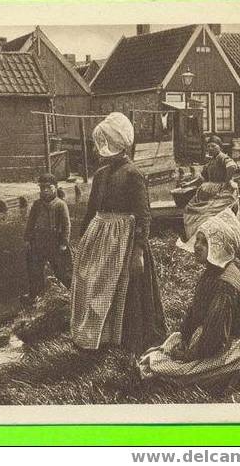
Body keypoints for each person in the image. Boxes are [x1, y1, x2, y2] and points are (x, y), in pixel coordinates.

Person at [137, 208, 240, 388]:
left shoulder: (224, 284)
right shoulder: (212, 272)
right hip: (207, 336)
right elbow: (195, 311)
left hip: (226, 347)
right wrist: (185, 337)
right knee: (169, 346)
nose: (197, 245)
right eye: (197, 239)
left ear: (218, 248)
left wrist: (188, 355)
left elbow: (216, 336)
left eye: (204, 242)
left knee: (171, 373)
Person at [70, 112, 166, 354]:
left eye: (109, 142)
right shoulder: (101, 174)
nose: (104, 148)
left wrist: (138, 252)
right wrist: (83, 241)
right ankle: (97, 337)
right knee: (94, 285)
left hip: (124, 240)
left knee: (127, 289)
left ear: (121, 145)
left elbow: (143, 215)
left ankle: (127, 340)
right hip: (100, 238)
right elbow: (92, 209)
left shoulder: (133, 174)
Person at [178, 135, 239, 251]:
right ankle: (198, 239)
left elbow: (232, 166)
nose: (210, 148)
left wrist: (227, 182)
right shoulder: (210, 161)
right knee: (190, 209)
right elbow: (201, 178)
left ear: (220, 147)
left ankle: (213, 241)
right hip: (209, 191)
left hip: (221, 192)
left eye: (213, 146)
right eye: (209, 146)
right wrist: (188, 184)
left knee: (207, 215)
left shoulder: (222, 157)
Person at [24, 173, 72, 301]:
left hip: (55, 243)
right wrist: (27, 239)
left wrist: (64, 243)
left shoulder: (60, 205)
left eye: (48, 187)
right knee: (35, 271)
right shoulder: (36, 205)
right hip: (38, 242)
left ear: (55, 188)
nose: (45, 191)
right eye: (42, 187)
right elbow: (30, 223)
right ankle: (35, 297)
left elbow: (66, 225)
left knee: (61, 271)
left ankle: (73, 294)